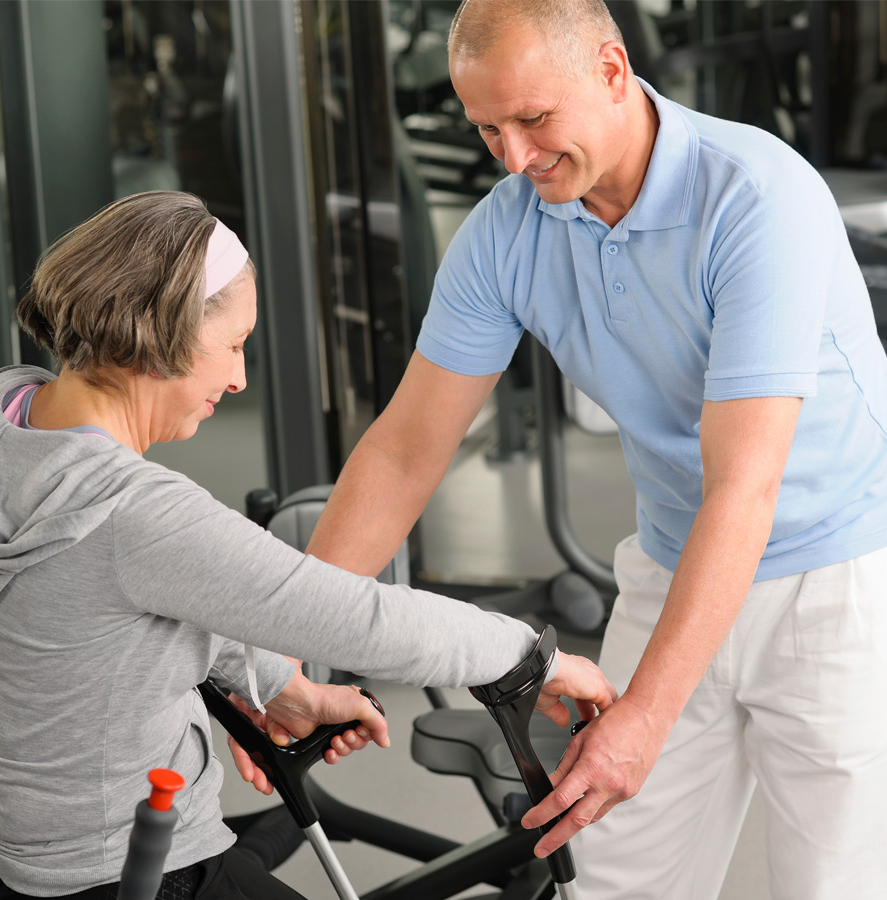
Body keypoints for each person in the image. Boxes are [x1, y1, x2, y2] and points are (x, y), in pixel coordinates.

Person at [303, 1, 887, 898]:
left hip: (838, 583)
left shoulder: (754, 198)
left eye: (533, 120)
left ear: (613, 72)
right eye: (486, 128)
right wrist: (287, 652)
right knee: (606, 879)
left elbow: (745, 486)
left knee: (830, 886)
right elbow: (404, 451)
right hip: (670, 562)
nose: (511, 158)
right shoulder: (506, 231)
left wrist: (647, 719)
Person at [0, 190, 617, 899]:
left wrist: (282, 687)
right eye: (233, 345)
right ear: (160, 334)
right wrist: (533, 658)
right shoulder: (137, 516)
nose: (240, 376)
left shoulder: (6, 421)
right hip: (140, 871)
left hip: (24, 860)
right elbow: (359, 618)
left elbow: (113, 608)